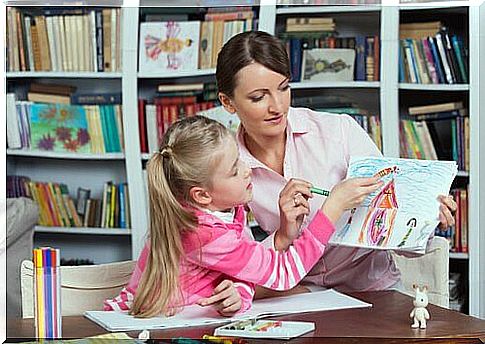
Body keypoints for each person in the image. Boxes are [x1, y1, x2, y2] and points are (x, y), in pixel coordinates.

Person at [215, 31, 457, 293]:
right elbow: (241, 262)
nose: (277, 106)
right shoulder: (227, 166)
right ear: (228, 102)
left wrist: (425, 221)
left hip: (371, 290)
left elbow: (392, 218)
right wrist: (282, 236)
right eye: (258, 97)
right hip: (298, 292)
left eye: (284, 88)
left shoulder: (338, 132)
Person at [104, 116, 382, 317]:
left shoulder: (217, 212)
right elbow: (282, 274)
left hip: (181, 320)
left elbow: (245, 272)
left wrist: (241, 292)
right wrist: (332, 208)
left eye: (240, 160)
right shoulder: (203, 232)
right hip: (152, 326)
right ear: (202, 195)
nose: (247, 170)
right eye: (234, 170)